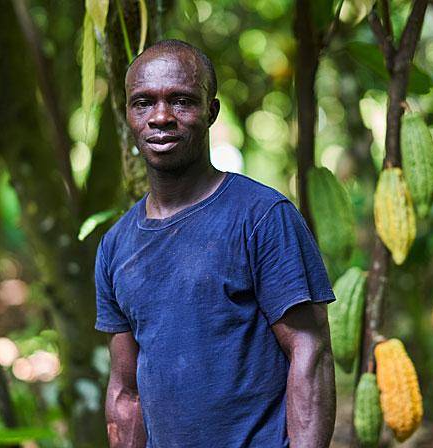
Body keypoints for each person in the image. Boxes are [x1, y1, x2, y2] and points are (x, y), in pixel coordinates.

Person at [94, 39, 336, 448]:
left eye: (182, 101)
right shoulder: (116, 246)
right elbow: (126, 391)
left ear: (211, 112)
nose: (161, 117)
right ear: (129, 115)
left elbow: (309, 351)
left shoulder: (262, 216)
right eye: (143, 103)